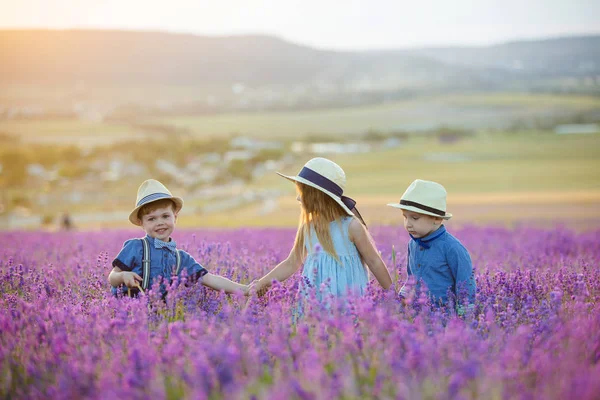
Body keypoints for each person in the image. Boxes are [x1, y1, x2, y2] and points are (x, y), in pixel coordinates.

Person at [250, 157, 392, 303]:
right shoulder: (308, 227)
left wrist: (394, 297)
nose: (298, 198)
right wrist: (260, 284)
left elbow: (374, 261)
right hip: (315, 303)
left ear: (317, 196)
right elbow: (292, 262)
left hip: (349, 303)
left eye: (302, 193)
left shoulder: (351, 226)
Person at [108, 179, 248, 297]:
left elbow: (209, 279)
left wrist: (245, 289)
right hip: (129, 314)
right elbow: (112, 277)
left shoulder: (181, 258)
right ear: (141, 223)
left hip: (160, 316)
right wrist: (122, 276)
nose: (160, 223)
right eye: (151, 219)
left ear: (175, 218)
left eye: (165, 216)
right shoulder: (135, 247)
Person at [387, 179, 476, 310]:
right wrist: (401, 299)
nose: (408, 224)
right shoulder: (412, 244)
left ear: (437, 219)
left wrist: (466, 316)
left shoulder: (452, 248)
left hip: (445, 315)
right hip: (418, 314)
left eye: (415, 218)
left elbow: (465, 283)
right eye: (405, 217)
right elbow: (411, 278)